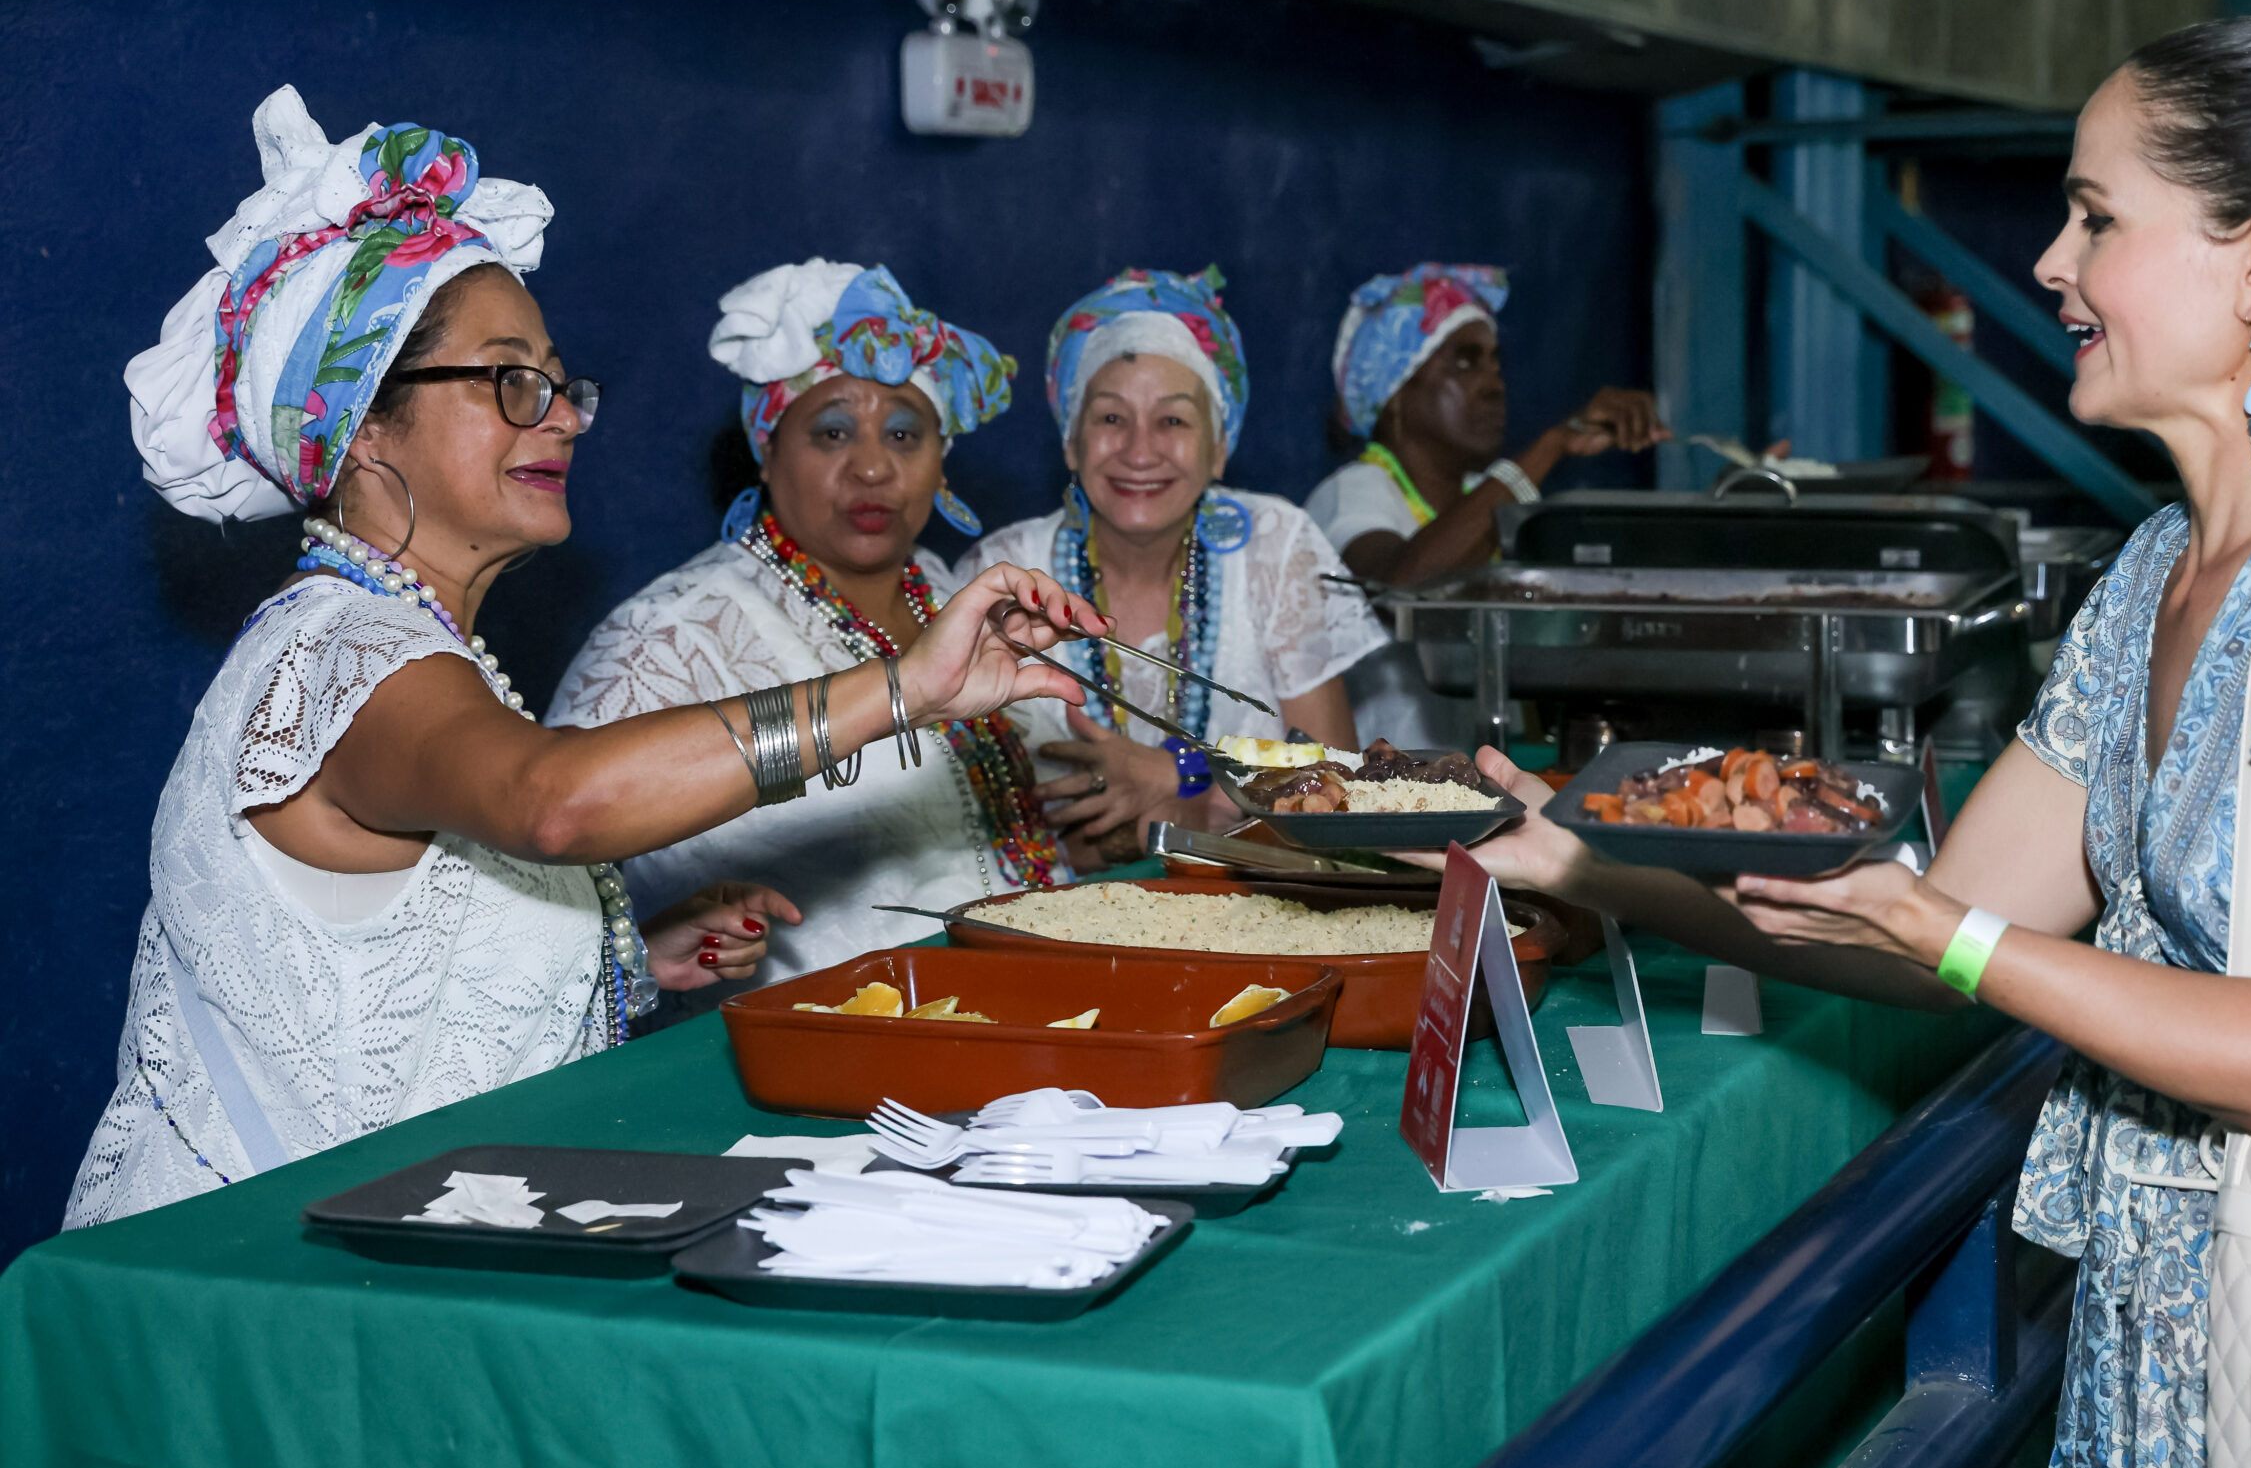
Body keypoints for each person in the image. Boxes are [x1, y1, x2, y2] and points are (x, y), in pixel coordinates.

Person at [1444, 16, 2251, 1468]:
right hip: (2176, 1373)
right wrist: (1593, 859)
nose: (2050, 260)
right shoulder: (2150, 580)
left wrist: (1952, 934)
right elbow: (1932, 929)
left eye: (2098, 217)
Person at [78, 89, 1101, 1226]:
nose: (561, 415)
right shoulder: (339, 652)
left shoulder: (416, 642)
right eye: (511, 380)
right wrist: (906, 689)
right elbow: (550, 802)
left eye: (559, 382)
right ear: (363, 422)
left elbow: (395, 975)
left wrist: (632, 960)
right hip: (238, 1284)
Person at [547, 261, 1064, 1015]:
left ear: (939, 459)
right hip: (823, 1075)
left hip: (1031, 1028)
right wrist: (647, 945)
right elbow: (552, 874)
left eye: (903, 432)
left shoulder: (957, 598)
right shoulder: (668, 637)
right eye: (831, 432)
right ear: (767, 446)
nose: (872, 466)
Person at [961, 266, 1387, 863]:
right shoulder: (1003, 575)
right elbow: (979, 826)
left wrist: (1181, 774)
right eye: (1110, 418)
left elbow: (1336, 790)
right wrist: (1195, 810)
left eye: (1173, 420)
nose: (1140, 451)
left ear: (1219, 447)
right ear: (1070, 442)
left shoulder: (1275, 545)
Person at [1302, 264, 1667, 745]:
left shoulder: (1485, 498)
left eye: (1496, 363)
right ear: (1394, 393)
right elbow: (1405, 591)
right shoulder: (1353, 494)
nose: (1495, 385)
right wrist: (1550, 446)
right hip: (1384, 797)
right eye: (1466, 362)